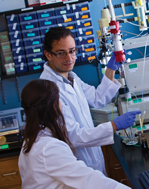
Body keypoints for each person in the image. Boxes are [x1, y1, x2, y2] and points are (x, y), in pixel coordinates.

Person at [40, 26, 140, 174]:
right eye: (61, 53)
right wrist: (113, 125)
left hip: (92, 158)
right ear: (48, 55)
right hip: (77, 165)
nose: (69, 58)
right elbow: (73, 136)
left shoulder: (71, 77)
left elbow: (97, 98)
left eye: (72, 51)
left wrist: (110, 68)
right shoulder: (48, 90)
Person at [18, 79, 135, 189]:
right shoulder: (49, 148)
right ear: (54, 106)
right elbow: (89, 180)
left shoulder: (31, 140)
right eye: (59, 99)